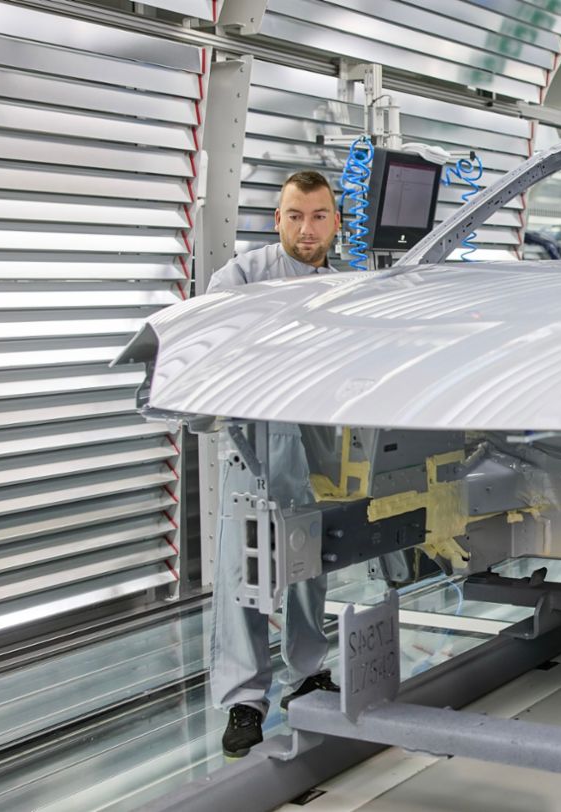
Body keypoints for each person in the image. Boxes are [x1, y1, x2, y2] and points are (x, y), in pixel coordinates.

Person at [208, 170, 409, 757]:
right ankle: (245, 700)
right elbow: (209, 348)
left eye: (319, 216)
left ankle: (305, 674)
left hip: (318, 446)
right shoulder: (243, 278)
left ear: (336, 223)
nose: (307, 229)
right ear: (277, 220)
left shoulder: (346, 286)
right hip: (255, 445)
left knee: (307, 562)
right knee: (242, 572)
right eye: (295, 216)